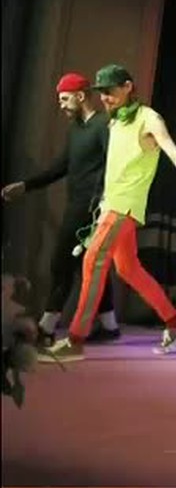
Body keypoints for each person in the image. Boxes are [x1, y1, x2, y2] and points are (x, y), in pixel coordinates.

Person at [41, 64, 176, 362]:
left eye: (110, 91)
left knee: (92, 260)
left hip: (125, 205)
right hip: (111, 204)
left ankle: (75, 339)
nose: (105, 97)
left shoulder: (149, 118)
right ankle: (175, 322)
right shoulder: (114, 121)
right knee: (127, 268)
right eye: (101, 92)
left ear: (128, 87)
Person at [1, 73, 119, 347]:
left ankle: (46, 327)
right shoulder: (77, 129)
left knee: (61, 263)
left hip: (91, 208)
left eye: (65, 99)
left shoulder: (103, 125)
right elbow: (60, 167)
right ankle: (110, 326)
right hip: (77, 204)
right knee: (88, 266)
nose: (62, 105)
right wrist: (26, 186)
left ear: (81, 96)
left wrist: (102, 202)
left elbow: (112, 166)